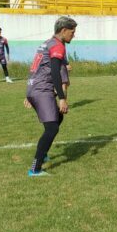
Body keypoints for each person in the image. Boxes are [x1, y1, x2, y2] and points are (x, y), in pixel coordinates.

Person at [25, 16, 77, 176]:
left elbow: (36, 67)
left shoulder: (47, 43)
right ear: (63, 31)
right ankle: (35, 168)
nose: (73, 35)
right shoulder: (58, 46)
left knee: (58, 118)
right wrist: (61, 97)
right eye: (72, 32)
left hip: (34, 88)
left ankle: (43, 153)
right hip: (42, 90)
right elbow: (55, 71)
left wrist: (29, 92)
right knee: (52, 128)